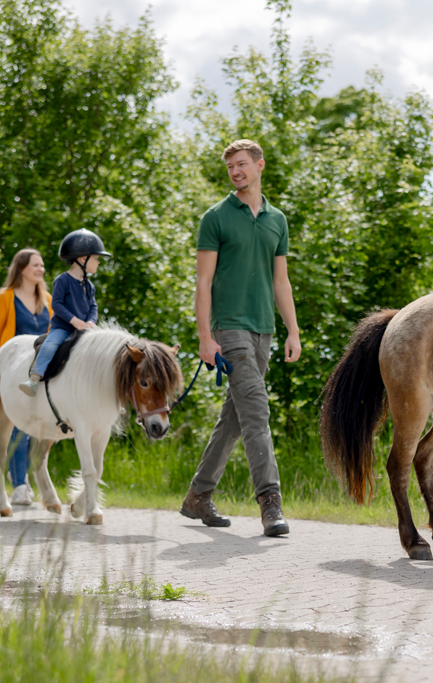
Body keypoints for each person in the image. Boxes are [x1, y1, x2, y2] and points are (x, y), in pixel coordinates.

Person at [180, 139, 301, 538]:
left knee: (233, 419)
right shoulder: (215, 217)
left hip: (263, 328)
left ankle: (198, 495)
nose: (235, 171)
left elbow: (280, 281)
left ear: (259, 165)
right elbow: (203, 281)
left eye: (242, 164)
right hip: (228, 328)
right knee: (256, 411)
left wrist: (292, 330)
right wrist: (204, 337)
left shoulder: (276, 220)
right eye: (230, 166)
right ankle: (270, 502)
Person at [0, 248, 53, 506]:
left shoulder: (47, 299)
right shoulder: (5, 297)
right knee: (19, 427)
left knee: (42, 425)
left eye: (42, 265)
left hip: (40, 369)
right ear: (22, 268)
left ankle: (25, 480)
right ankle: (19, 486)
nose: (41, 269)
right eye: (35, 265)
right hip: (12, 367)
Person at [18, 229, 108, 397]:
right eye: (96, 259)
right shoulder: (63, 280)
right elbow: (57, 304)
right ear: (82, 258)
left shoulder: (90, 286)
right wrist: (75, 321)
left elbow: (93, 306)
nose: (98, 263)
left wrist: (91, 322)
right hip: (63, 328)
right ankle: (34, 379)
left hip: (84, 329)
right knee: (50, 345)